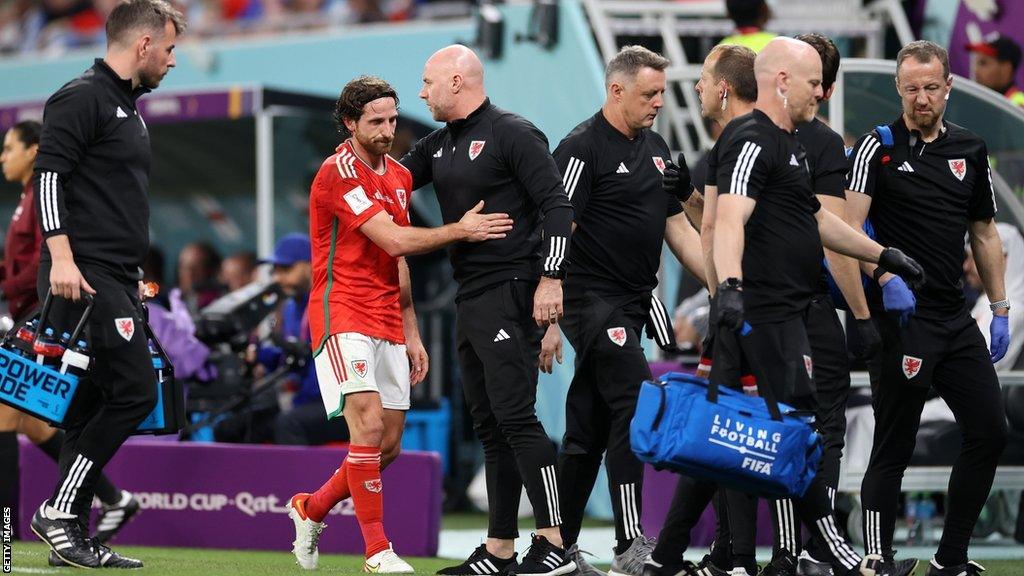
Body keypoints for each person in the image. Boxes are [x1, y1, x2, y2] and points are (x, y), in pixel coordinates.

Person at [710, 37, 925, 576]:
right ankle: (820, 553)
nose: (822, 94)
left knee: (757, 436)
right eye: (814, 84)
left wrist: (884, 254)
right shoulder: (752, 138)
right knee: (793, 433)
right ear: (783, 81)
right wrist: (731, 289)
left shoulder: (788, 143)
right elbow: (728, 221)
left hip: (777, 310)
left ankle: (688, 558)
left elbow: (817, 221)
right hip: (769, 312)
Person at [287, 74, 513, 573]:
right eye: (376, 121)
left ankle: (312, 508)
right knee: (366, 426)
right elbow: (392, 240)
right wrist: (460, 230)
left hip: (387, 313)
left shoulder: (399, 176)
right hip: (340, 309)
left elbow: (399, 261)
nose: (389, 130)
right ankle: (376, 551)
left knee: (386, 447)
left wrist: (410, 329)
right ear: (350, 123)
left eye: (392, 119)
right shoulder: (337, 171)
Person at [401, 45, 576, 576]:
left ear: (457, 81)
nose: (421, 91)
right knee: (492, 426)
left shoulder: (513, 132)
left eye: (428, 81)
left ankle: (554, 544)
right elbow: (389, 183)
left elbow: (558, 206)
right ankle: (501, 550)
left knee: (518, 418)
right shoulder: (439, 143)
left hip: (512, 287)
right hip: (472, 294)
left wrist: (550, 282)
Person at [27, 0, 184, 569]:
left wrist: (134, 275)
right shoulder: (82, 95)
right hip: (84, 275)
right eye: (168, 50)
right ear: (143, 44)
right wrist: (63, 258)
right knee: (137, 392)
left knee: (89, 402)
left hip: (114, 276)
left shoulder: (128, 108)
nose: (172, 61)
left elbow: (113, 201)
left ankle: (73, 538)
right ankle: (58, 514)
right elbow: (49, 176)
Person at [845, 40, 1010, 576]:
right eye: (912, 88)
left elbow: (984, 233)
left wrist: (1001, 306)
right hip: (901, 320)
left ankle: (952, 559)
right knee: (896, 439)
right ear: (899, 88)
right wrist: (883, 273)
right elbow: (845, 231)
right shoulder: (878, 147)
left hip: (955, 319)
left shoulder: (970, 148)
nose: (921, 98)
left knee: (990, 431)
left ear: (949, 87)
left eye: (931, 87)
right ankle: (877, 558)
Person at [543, 45, 705, 576]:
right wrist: (545, 314)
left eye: (661, 93)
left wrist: (725, 285)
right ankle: (630, 545)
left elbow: (677, 228)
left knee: (586, 427)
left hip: (633, 303)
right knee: (636, 404)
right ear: (616, 91)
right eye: (649, 94)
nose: (659, 102)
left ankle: (554, 546)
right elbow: (558, 225)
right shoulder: (580, 148)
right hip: (590, 299)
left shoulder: (657, 148)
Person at [644, 43, 758, 576]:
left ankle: (717, 556)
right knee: (723, 434)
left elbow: (725, 229)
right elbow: (712, 222)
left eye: (703, 79)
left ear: (724, 88)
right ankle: (724, 557)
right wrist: (688, 194)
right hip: (738, 311)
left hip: (752, 310)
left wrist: (722, 294)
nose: (695, 89)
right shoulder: (728, 147)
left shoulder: (751, 144)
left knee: (734, 437)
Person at [0, 119, 141, 548]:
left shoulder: (45, 198)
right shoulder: (26, 199)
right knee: (36, 425)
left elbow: (48, 260)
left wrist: (8, 288)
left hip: (45, 318)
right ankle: (114, 500)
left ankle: (5, 541)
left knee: (6, 417)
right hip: (33, 316)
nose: (3, 157)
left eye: (9, 148)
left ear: (34, 149)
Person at [965, 33, 1024, 108]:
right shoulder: (978, 101)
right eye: (976, 63)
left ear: (1006, 70)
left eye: (983, 63)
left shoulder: (1019, 108)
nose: (975, 71)